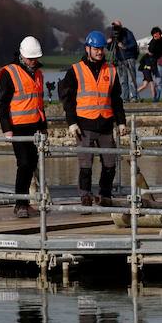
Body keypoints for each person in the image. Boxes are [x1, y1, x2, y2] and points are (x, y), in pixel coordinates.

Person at [58, 30, 126, 206]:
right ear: (87, 48)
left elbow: (116, 99)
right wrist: (71, 122)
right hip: (84, 124)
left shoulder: (111, 70)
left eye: (101, 48)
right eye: (95, 48)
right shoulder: (76, 70)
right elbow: (67, 98)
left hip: (105, 124)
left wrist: (121, 122)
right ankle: (85, 196)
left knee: (110, 164)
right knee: (86, 165)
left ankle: (105, 195)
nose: (99, 52)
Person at [0, 36, 47, 218]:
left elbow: (39, 102)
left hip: (34, 126)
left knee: (32, 163)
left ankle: (24, 202)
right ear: (22, 55)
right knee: (23, 163)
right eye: (30, 58)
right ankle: (20, 204)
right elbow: (2, 103)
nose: (33, 61)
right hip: (17, 127)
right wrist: (6, 128)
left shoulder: (38, 74)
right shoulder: (10, 73)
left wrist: (43, 127)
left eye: (35, 58)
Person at [108, 20, 139, 101]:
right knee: (122, 80)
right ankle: (125, 97)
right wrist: (109, 43)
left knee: (132, 79)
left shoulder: (127, 33)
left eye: (117, 26)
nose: (115, 28)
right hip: (120, 60)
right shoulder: (113, 35)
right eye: (114, 27)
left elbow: (134, 44)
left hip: (129, 58)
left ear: (121, 26)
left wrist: (124, 46)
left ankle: (134, 97)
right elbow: (110, 49)